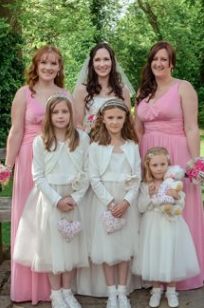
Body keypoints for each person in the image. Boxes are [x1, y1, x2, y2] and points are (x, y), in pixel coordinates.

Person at [134, 41, 204, 289]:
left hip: (176, 152)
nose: (158, 63)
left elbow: (191, 126)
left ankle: (182, 273)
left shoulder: (183, 88)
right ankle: (154, 271)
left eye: (164, 59)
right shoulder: (143, 91)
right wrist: (135, 156)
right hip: (148, 152)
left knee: (179, 210)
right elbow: (138, 127)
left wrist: (195, 164)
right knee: (151, 209)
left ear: (171, 63)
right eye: (155, 59)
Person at [5, 45, 72, 304]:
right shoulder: (24, 93)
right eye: (44, 62)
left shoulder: (64, 94)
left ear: (59, 67)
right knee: (30, 222)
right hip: (29, 159)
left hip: (57, 160)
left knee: (54, 220)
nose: (48, 67)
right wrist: (8, 168)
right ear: (36, 65)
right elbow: (16, 131)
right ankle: (28, 287)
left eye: (54, 63)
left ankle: (57, 288)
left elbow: (70, 131)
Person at [14, 94, 90, 308]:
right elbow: (38, 176)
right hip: (50, 200)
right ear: (48, 115)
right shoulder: (41, 141)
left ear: (71, 113)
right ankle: (56, 294)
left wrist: (74, 198)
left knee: (71, 244)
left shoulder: (82, 138)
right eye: (55, 112)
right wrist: (57, 200)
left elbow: (87, 171)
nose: (60, 116)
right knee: (52, 246)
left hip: (75, 199)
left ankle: (68, 291)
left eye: (64, 111)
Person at [87, 98, 142, 308]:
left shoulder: (132, 145)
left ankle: (122, 292)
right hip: (105, 200)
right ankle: (111, 293)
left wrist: (126, 202)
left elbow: (137, 176)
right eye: (110, 117)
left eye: (119, 117)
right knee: (108, 248)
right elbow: (94, 178)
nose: (115, 122)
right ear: (102, 119)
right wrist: (110, 203)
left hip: (127, 201)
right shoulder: (96, 147)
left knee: (124, 248)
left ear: (126, 119)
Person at [134, 146, 200, 308]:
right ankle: (156, 291)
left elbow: (181, 204)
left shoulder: (172, 183)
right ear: (148, 166)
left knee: (171, 255)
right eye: (155, 165)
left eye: (162, 164)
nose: (159, 168)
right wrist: (150, 196)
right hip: (153, 225)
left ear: (168, 164)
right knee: (155, 255)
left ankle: (171, 290)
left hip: (171, 224)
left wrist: (177, 196)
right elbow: (141, 207)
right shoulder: (145, 185)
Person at [73, 42, 134, 132]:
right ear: (92, 64)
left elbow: (129, 122)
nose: (102, 64)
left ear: (112, 62)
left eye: (106, 59)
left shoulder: (122, 90)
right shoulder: (82, 90)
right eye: (97, 60)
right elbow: (77, 125)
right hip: (91, 141)